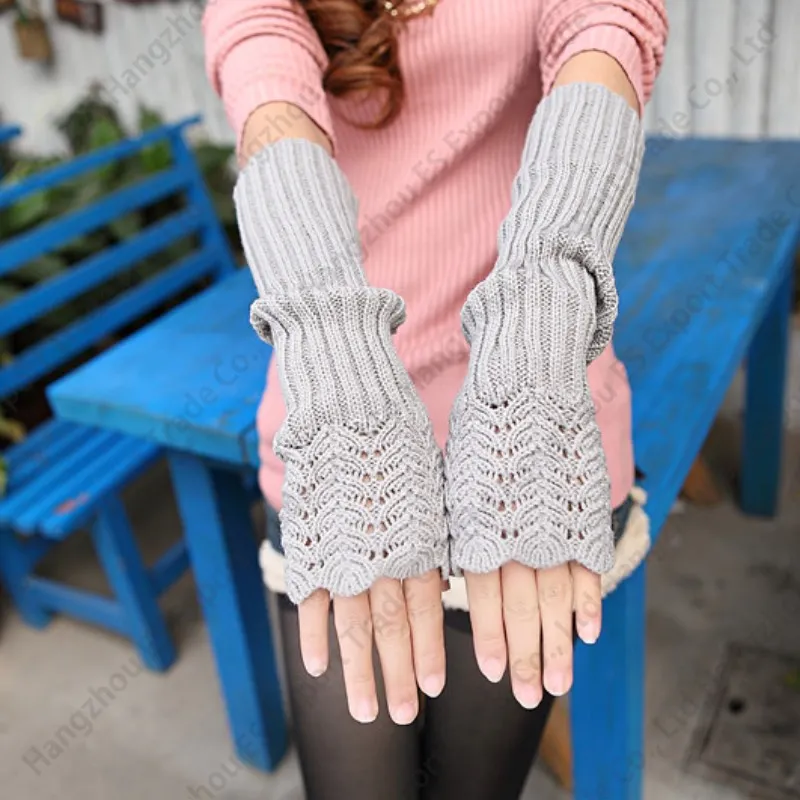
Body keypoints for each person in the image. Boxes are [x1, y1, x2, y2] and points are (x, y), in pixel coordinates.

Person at [204, 1, 668, 797]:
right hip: (343, 444)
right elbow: (268, 94)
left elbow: (606, 31)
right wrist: (330, 337)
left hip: (537, 438)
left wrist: (539, 306)